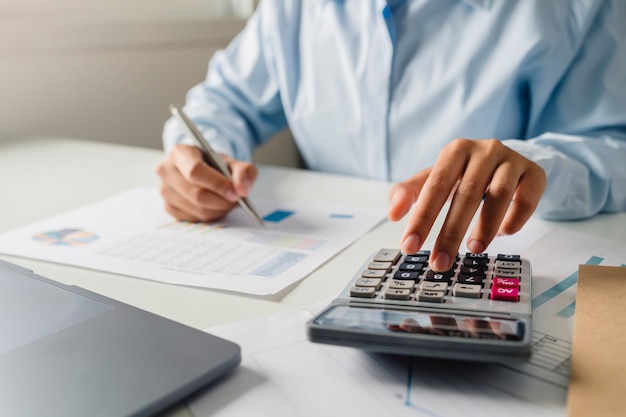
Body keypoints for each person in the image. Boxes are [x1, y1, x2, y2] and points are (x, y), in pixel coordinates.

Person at [157, 0, 626, 272]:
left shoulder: (579, 9)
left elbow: (613, 145)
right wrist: (202, 157)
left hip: (492, 265)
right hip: (318, 263)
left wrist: (533, 164)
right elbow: (224, 101)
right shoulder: (294, 7)